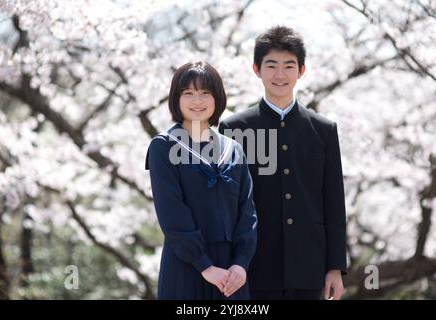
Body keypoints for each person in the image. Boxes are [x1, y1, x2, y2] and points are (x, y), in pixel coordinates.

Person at [219, 26, 347, 300]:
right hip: (253, 266)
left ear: (301, 70)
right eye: (271, 65)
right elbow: (228, 203)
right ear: (257, 69)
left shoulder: (323, 129)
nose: (280, 75)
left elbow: (334, 201)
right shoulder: (234, 128)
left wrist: (335, 267)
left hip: (309, 267)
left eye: (289, 66)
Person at [145, 61, 257, 300]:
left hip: (231, 274)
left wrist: (241, 263)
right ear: (176, 99)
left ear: (218, 98)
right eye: (189, 93)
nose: (198, 100)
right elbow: (172, 211)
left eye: (205, 93)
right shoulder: (164, 146)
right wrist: (204, 265)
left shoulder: (233, 149)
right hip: (187, 265)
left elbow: (247, 210)